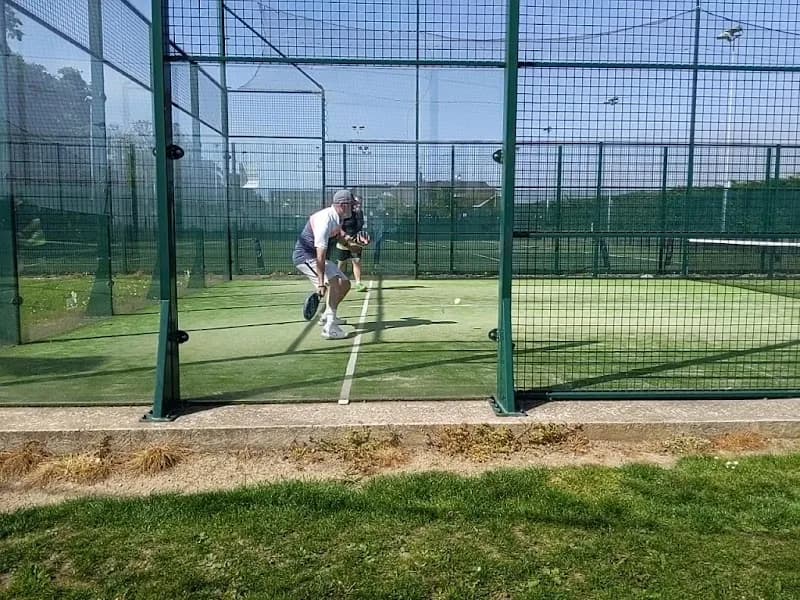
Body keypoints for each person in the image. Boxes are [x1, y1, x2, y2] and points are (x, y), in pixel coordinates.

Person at [292, 189, 360, 340]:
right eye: (352, 204)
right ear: (343, 205)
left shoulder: (338, 216)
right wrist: (322, 283)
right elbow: (320, 256)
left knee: (345, 284)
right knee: (334, 282)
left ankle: (327, 316)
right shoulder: (325, 221)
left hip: (316, 257)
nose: (354, 207)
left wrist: (354, 244)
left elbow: (340, 236)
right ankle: (330, 328)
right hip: (306, 258)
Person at [334, 195, 368, 291]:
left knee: (356, 261)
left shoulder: (360, 213)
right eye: (356, 202)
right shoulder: (345, 213)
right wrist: (345, 237)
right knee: (341, 263)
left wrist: (361, 238)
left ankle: (358, 283)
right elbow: (339, 226)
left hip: (355, 241)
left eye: (360, 203)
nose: (358, 204)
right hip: (343, 241)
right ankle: (339, 282)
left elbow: (360, 227)